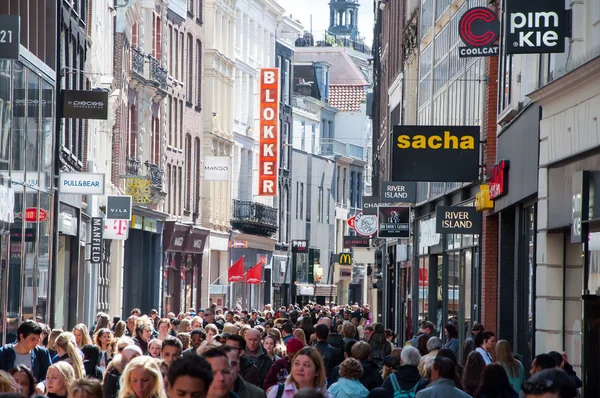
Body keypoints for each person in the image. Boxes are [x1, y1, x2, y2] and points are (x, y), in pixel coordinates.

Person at [265, 346, 332, 398]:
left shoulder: (326, 396)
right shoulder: (277, 392)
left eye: (306, 365)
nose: (300, 368)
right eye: (297, 363)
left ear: (317, 371)